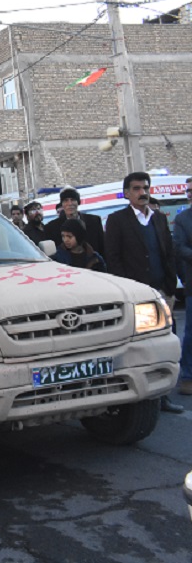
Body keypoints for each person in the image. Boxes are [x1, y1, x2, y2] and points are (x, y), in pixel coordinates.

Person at [105, 171, 182, 414]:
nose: (143, 193)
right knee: (140, 349)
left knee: (164, 344)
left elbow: (168, 253)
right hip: (135, 296)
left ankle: (164, 395)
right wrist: (126, 291)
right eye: (137, 188)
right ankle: (140, 399)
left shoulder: (158, 218)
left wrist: (170, 287)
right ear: (127, 193)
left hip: (161, 292)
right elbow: (113, 258)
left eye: (146, 188)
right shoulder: (118, 220)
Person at [45, 187, 106, 257]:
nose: (70, 203)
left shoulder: (94, 221)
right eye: (66, 200)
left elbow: (102, 247)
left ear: (78, 202)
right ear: (62, 204)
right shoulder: (52, 227)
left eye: (73, 200)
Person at [173, 177, 192, 396]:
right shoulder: (183, 219)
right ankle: (188, 377)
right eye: (188, 190)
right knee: (191, 333)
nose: (190, 194)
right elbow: (179, 247)